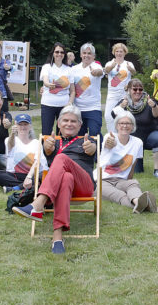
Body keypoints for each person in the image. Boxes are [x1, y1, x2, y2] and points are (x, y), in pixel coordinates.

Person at [13, 105, 98, 254]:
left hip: (84, 185)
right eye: (65, 120)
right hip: (62, 186)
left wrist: (92, 147)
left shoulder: (87, 140)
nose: (69, 124)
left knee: (61, 158)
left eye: (74, 121)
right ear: (58, 123)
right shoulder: (52, 142)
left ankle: (38, 204)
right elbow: (47, 153)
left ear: (80, 125)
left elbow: (92, 149)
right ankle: (57, 238)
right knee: (66, 178)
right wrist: (46, 148)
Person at [99, 111, 158, 213]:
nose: (125, 126)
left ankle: (137, 201)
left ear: (132, 126)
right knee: (119, 195)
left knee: (133, 183)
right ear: (117, 126)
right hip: (102, 180)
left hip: (120, 180)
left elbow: (133, 165)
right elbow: (108, 144)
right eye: (121, 123)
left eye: (128, 123)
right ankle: (146, 206)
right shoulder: (109, 137)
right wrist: (110, 143)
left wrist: (128, 182)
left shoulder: (137, 142)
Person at [114, 78, 158, 179]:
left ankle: (157, 171)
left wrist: (154, 106)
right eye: (135, 89)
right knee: (137, 171)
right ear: (129, 90)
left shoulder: (148, 101)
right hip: (132, 140)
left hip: (149, 135)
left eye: (140, 89)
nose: (138, 92)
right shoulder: (123, 102)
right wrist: (121, 106)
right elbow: (114, 116)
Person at [0, 112, 47, 192]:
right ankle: (26, 185)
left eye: (25, 124)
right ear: (15, 125)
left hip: (32, 174)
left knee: (42, 177)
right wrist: (12, 134)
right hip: (16, 175)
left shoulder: (36, 142)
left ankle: (16, 187)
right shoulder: (10, 139)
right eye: (20, 124)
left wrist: (29, 177)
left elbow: (37, 162)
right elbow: (10, 144)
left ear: (30, 126)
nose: (23, 127)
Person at [71, 43, 105, 136]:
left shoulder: (96, 66)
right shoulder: (74, 69)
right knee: (80, 136)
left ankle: (99, 149)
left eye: (89, 53)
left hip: (93, 108)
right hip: (78, 109)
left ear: (93, 56)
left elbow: (100, 72)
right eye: (84, 53)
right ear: (81, 55)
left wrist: (95, 72)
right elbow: (68, 85)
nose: (86, 55)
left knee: (94, 133)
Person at [40, 43, 72, 136]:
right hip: (48, 104)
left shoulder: (69, 69)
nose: (59, 54)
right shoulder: (47, 67)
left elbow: (72, 90)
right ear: (53, 53)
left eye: (62, 52)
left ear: (64, 54)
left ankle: (61, 151)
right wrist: (47, 84)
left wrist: (70, 102)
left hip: (64, 105)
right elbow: (45, 79)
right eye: (57, 52)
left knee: (62, 133)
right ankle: (45, 150)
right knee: (46, 132)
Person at [103, 42, 136, 124]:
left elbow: (134, 72)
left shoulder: (128, 63)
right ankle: (112, 135)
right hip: (112, 94)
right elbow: (106, 71)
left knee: (123, 116)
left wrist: (130, 69)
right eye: (117, 51)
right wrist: (112, 66)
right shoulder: (110, 63)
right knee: (108, 116)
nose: (119, 53)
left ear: (125, 53)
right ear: (114, 52)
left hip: (124, 94)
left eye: (121, 51)